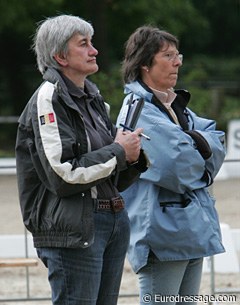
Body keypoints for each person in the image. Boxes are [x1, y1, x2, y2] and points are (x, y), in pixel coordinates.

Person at [15, 15, 148, 305]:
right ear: (60, 56)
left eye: (92, 42)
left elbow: (109, 172)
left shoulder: (93, 97)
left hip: (111, 220)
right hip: (74, 232)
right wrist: (118, 152)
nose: (94, 50)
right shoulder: (48, 99)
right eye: (84, 44)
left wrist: (133, 157)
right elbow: (63, 175)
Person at [116, 25, 226, 305]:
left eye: (178, 55)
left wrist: (192, 144)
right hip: (162, 233)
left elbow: (217, 141)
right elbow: (178, 168)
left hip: (191, 229)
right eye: (168, 55)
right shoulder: (139, 108)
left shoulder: (175, 106)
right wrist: (200, 149)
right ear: (144, 63)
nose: (177, 62)